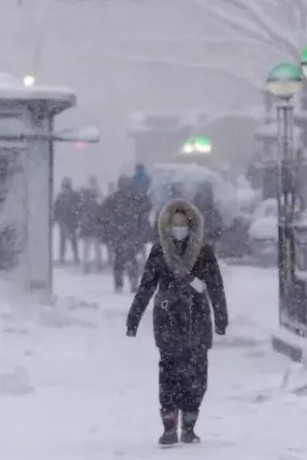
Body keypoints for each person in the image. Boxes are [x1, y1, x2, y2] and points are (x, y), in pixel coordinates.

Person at [126, 198, 228, 445]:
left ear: (191, 225)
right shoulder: (159, 251)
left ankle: (189, 427)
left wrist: (221, 318)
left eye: (183, 224)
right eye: (174, 224)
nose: (178, 228)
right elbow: (146, 286)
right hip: (167, 320)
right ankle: (169, 427)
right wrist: (134, 317)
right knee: (169, 375)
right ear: (167, 226)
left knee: (197, 375)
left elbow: (215, 286)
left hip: (197, 320)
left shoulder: (204, 252)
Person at [101, 176, 151, 292]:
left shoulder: (117, 198)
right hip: (125, 232)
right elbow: (144, 209)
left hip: (124, 232)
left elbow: (105, 214)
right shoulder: (131, 197)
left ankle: (123, 283)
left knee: (123, 259)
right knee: (127, 259)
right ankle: (129, 282)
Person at [77, 176, 105, 273]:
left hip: (86, 228)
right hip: (94, 228)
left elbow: (79, 216)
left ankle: (85, 266)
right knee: (96, 248)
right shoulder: (96, 204)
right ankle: (98, 264)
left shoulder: (83, 204)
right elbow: (100, 215)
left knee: (86, 248)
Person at [53, 177, 81, 263]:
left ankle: (68, 257)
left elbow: (56, 209)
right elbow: (56, 208)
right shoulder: (69, 195)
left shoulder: (65, 195)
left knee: (67, 240)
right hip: (66, 220)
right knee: (69, 240)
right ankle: (72, 257)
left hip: (68, 220)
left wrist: (55, 219)